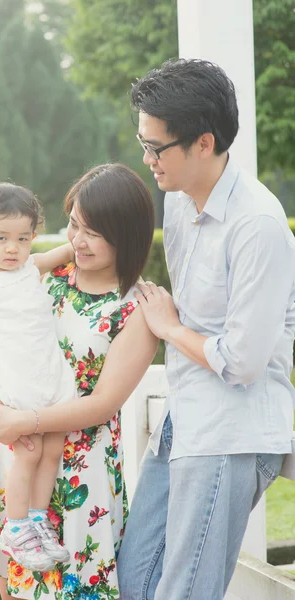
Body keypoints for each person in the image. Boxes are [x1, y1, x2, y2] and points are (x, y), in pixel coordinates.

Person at [115, 58, 295, 600]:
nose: (147, 160)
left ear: (203, 142)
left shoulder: (256, 225)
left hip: (232, 433)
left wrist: (169, 330)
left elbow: (244, 361)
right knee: (135, 578)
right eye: (142, 144)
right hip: (186, 417)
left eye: (156, 148)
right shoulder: (178, 203)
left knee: (185, 593)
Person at [0, 164, 158, 599]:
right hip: (18, 453)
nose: (78, 240)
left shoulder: (135, 309)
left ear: (126, 235)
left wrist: (25, 421)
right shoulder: (41, 277)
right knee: (13, 588)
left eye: (95, 232)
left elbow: (103, 404)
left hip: (78, 469)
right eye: (74, 224)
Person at [0, 182, 77, 572]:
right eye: (1, 238)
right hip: (14, 379)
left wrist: (97, 229)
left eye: (23, 238)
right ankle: (15, 525)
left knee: (53, 447)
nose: (12, 248)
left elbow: (69, 248)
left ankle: (39, 520)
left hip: (47, 374)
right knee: (28, 452)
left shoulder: (31, 268)